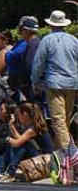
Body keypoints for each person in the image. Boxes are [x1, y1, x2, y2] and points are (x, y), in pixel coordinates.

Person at [32, 10, 78, 149]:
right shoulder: (74, 40)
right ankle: (60, 155)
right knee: (65, 121)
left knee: (58, 120)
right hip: (72, 83)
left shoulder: (47, 40)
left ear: (51, 24)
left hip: (54, 84)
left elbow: (38, 63)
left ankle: (69, 154)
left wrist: (35, 81)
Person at [0, 102, 54, 182]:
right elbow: (20, 139)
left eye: (19, 115)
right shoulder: (33, 126)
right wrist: (11, 125)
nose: (18, 118)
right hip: (41, 157)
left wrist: (7, 139)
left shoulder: (33, 129)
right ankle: (0, 172)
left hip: (45, 161)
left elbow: (17, 143)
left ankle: (9, 173)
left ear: (25, 114)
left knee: (22, 146)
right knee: (20, 144)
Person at [5, 16, 41, 101]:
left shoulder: (32, 45)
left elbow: (29, 66)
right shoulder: (31, 43)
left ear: (26, 31)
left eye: (21, 29)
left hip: (29, 86)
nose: (20, 32)